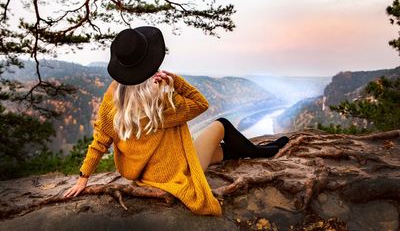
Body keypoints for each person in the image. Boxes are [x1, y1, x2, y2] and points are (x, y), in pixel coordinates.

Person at [62, 26, 290, 216]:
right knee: (222, 125)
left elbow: (100, 141)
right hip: (174, 171)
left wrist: (83, 179)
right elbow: (201, 103)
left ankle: (255, 150)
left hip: (143, 172)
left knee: (220, 152)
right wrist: (175, 81)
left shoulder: (113, 97)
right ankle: (264, 153)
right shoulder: (159, 102)